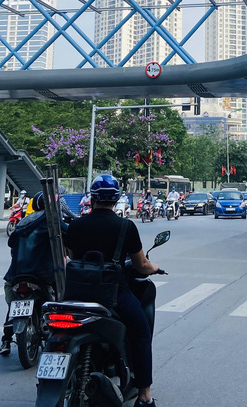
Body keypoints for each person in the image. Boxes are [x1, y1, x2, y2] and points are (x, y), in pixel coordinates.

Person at [65, 174, 161, 407]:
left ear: (92, 197)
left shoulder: (76, 225)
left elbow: (70, 256)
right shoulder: (125, 227)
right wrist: (154, 267)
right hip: (112, 295)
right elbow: (141, 266)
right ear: (116, 198)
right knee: (141, 332)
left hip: (75, 293)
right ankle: (144, 395)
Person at [0, 192, 58, 356]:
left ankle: (5, 340)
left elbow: (11, 243)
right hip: (43, 274)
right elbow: (71, 236)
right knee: (62, 295)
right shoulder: (51, 221)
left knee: (14, 305)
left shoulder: (23, 222)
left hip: (16, 275)